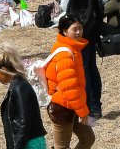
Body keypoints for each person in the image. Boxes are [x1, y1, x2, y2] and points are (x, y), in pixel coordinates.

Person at [51, 0, 106, 119]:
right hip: (89, 27)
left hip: (83, 29)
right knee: (90, 67)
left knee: (85, 69)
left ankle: (92, 105)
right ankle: (94, 104)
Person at [43, 16, 95, 149]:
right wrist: (83, 112)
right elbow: (69, 87)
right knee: (62, 146)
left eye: (80, 28)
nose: (78, 32)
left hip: (72, 105)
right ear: (65, 32)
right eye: (74, 29)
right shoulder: (65, 55)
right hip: (62, 108)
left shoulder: (72, 49)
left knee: (88, 138)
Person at [0, 48, 47, 149]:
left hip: (29, 143)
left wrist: (18, 146)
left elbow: (25, 121)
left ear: (4, 70)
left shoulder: (19, 88)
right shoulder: (18, 85)